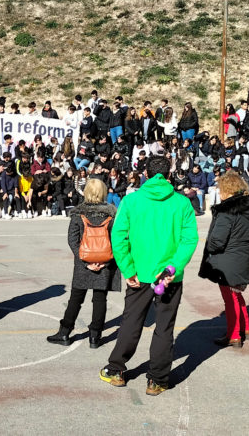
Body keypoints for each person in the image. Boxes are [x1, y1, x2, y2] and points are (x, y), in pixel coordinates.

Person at [100, 157, 199, 396]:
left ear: (145, 172)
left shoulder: (131, 201)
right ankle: (157, 379)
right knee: (164, 327)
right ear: (169, 174)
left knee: (131, 321)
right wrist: (172, 268)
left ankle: (116, 369)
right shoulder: (182, 203)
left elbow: (118, 236)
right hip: (169, 277)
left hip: (141, 273)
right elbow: (189, 240)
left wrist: (128, 269)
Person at [46, 179, 120, 348]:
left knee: (76, 298)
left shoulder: (79, 213)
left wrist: (85, 262)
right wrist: (105, 262)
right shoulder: (112, 213)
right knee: (100, 299)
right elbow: (117, 240)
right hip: (105, 260)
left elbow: (72, 240)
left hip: (83, 261)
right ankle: (95, 336)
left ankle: (64, 332)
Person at [199, 174, 249, 348]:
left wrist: (209, 246)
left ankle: (234, 335)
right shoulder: (247, 206)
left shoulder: (227, 210)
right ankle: (245, 328)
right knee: (236, 295)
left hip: (227, 260)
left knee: (230, 299)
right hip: (242, 257)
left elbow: (217, 241)